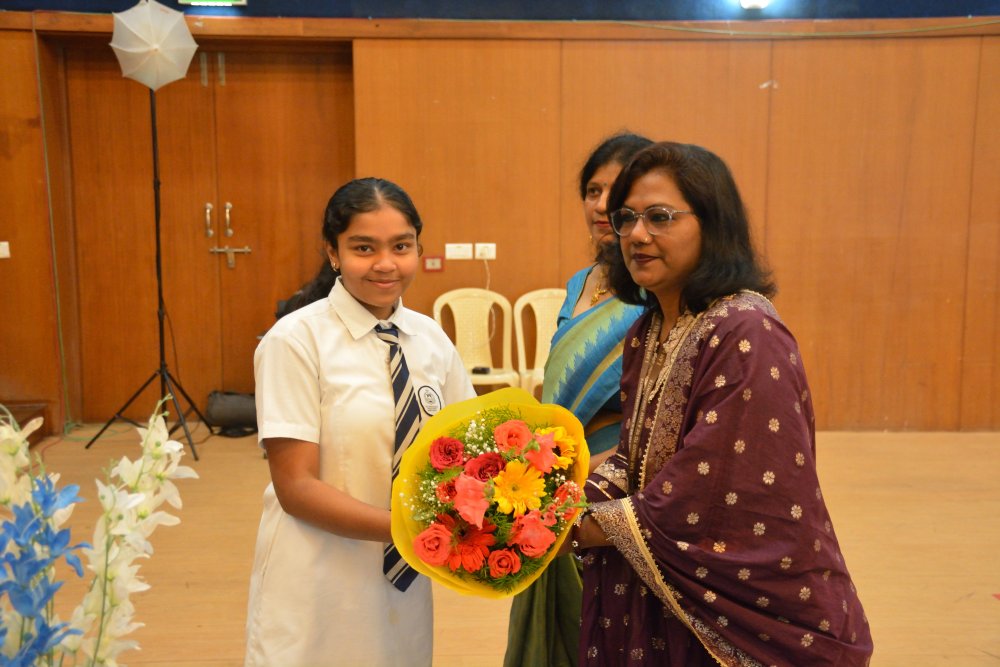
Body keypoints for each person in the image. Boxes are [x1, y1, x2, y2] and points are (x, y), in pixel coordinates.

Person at [566, 142, 873, 666]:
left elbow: (708, 491)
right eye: (626, 218)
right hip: (658, 587)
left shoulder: (746, 331)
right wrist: (556, 498)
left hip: (736, 604)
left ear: (712, 225)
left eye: (660, 217)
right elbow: (633, 458)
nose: (636, 235)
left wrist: (578, 526)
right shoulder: (649, 329)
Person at [244, 177, 475, 666]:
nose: (385, 264)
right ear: (333, 252)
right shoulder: (296, 341)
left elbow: (471, 448)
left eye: (401, 246)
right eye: (364, 248)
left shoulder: (430, 340)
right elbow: (295, 486)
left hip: (404, 580)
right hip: (317, 578)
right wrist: (409, 530)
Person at [504, 132, 652, 667]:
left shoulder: (655, 290)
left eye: (616, 191)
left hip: (618, 475)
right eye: (592, 190)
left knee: (607, 627)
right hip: (555, 470)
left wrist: (583, 475)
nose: (600, 204)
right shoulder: (580, 281)